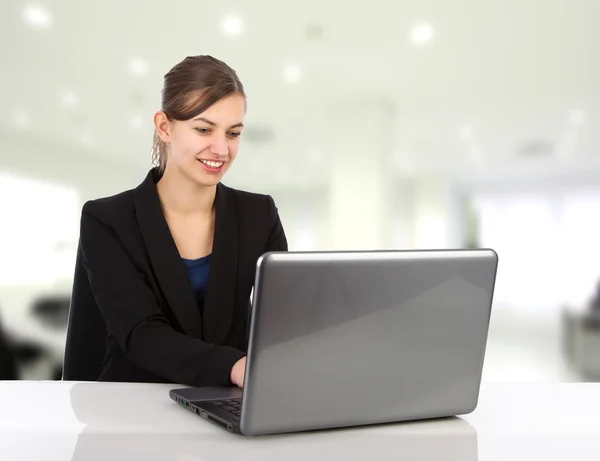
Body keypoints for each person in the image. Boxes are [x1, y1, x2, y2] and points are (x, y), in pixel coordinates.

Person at [77, 55, 287, 388]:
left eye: (233, 133)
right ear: (164, 127)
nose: (221, 149)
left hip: (230, 400)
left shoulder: (259, 215)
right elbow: (142, 333)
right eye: (204, 129)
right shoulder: (107, 220)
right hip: (134, 403)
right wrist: (233, 366)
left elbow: (282, 320)